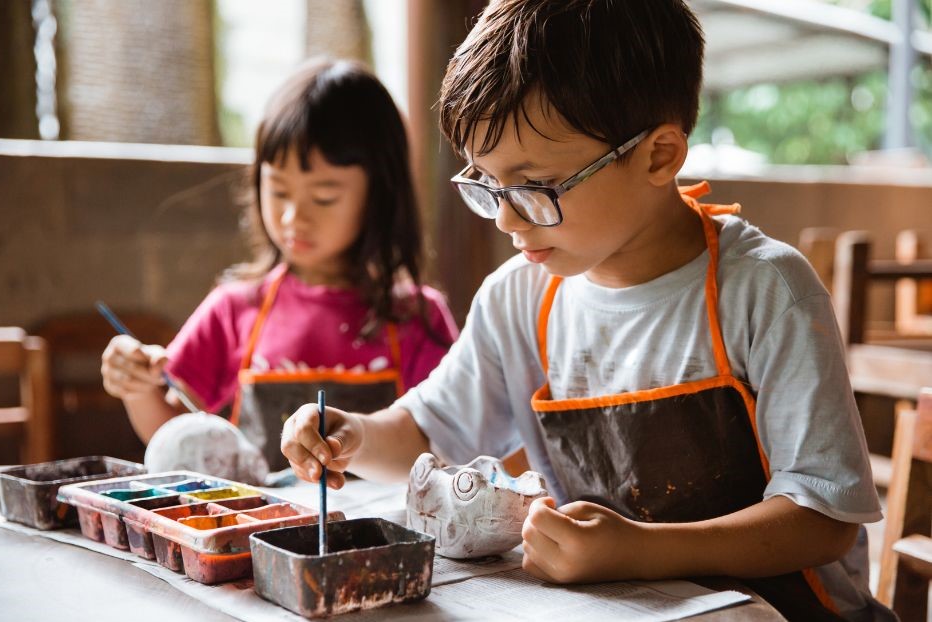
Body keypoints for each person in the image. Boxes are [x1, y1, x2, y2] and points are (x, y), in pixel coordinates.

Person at [280, 2, 893, 620]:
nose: (506, 218)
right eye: (487, 185)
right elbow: (428, 431)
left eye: (535, 186)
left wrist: (640, 552)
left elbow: (822, 517)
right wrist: (350, 436)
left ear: (658, 155)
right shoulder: (519, 298)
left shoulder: (765, 289)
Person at [101, 58, 458, 473]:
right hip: (251, 532)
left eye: (323, 197)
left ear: (381, 195)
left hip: (380, 533)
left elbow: (449, 441)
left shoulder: (417, 317)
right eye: (278, 191)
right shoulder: (235, 307)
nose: (292, 218)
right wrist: (136, 387)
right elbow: (173, 432)